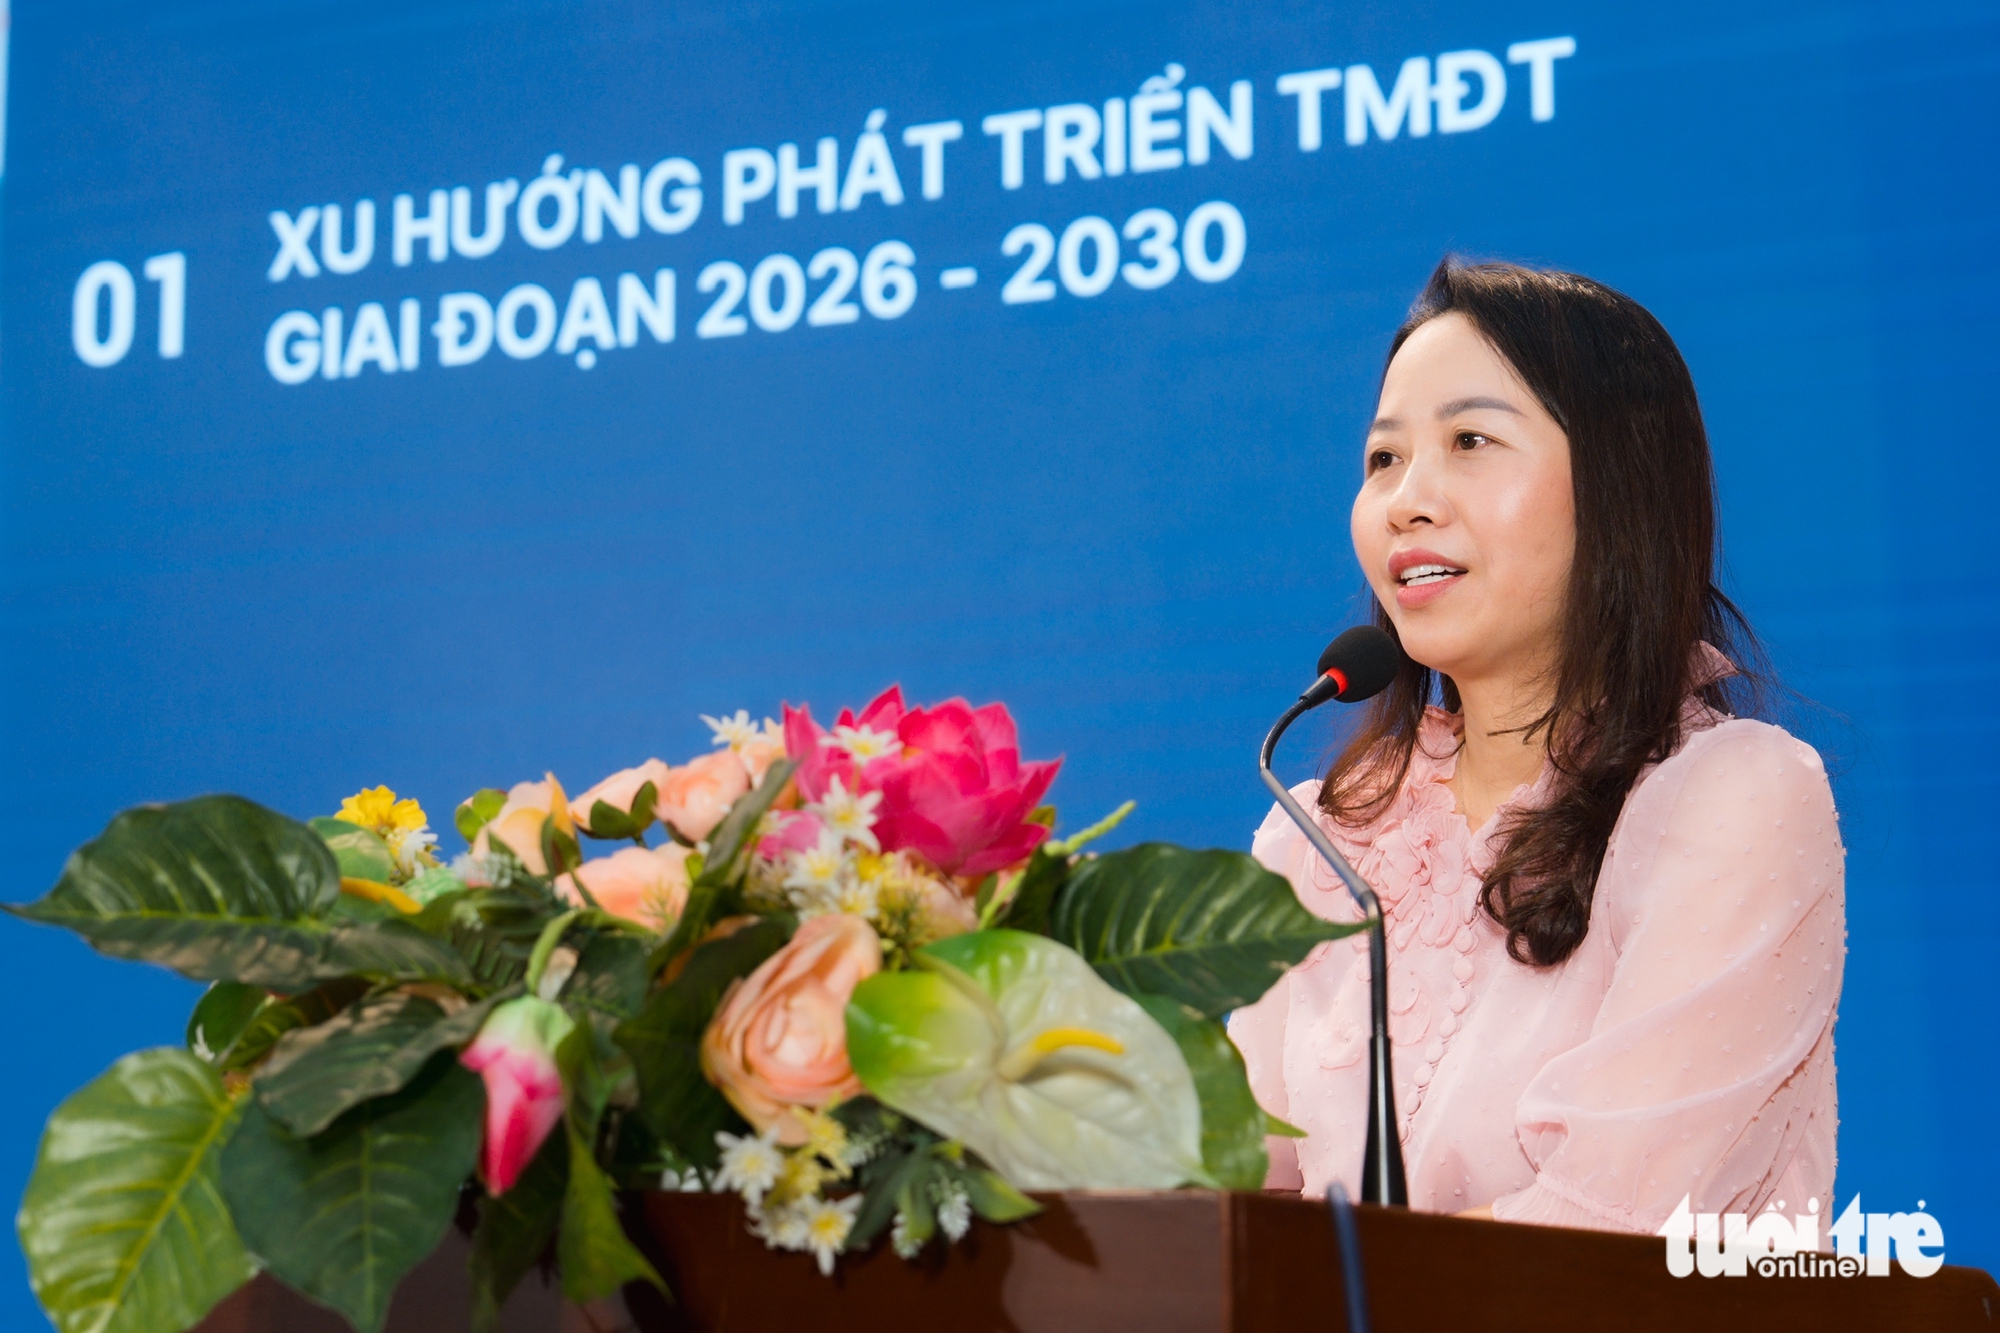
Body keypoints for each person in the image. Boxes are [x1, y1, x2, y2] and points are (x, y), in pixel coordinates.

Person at [1230, 259, 1844, 1232]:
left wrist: (1334, 1288)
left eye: (1469, 440)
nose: (1405, 500)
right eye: (1383, 459)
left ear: (1617, 486)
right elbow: (1227, 1188)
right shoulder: (1320, 838)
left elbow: (1602, 1225)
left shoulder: (1730, 799)